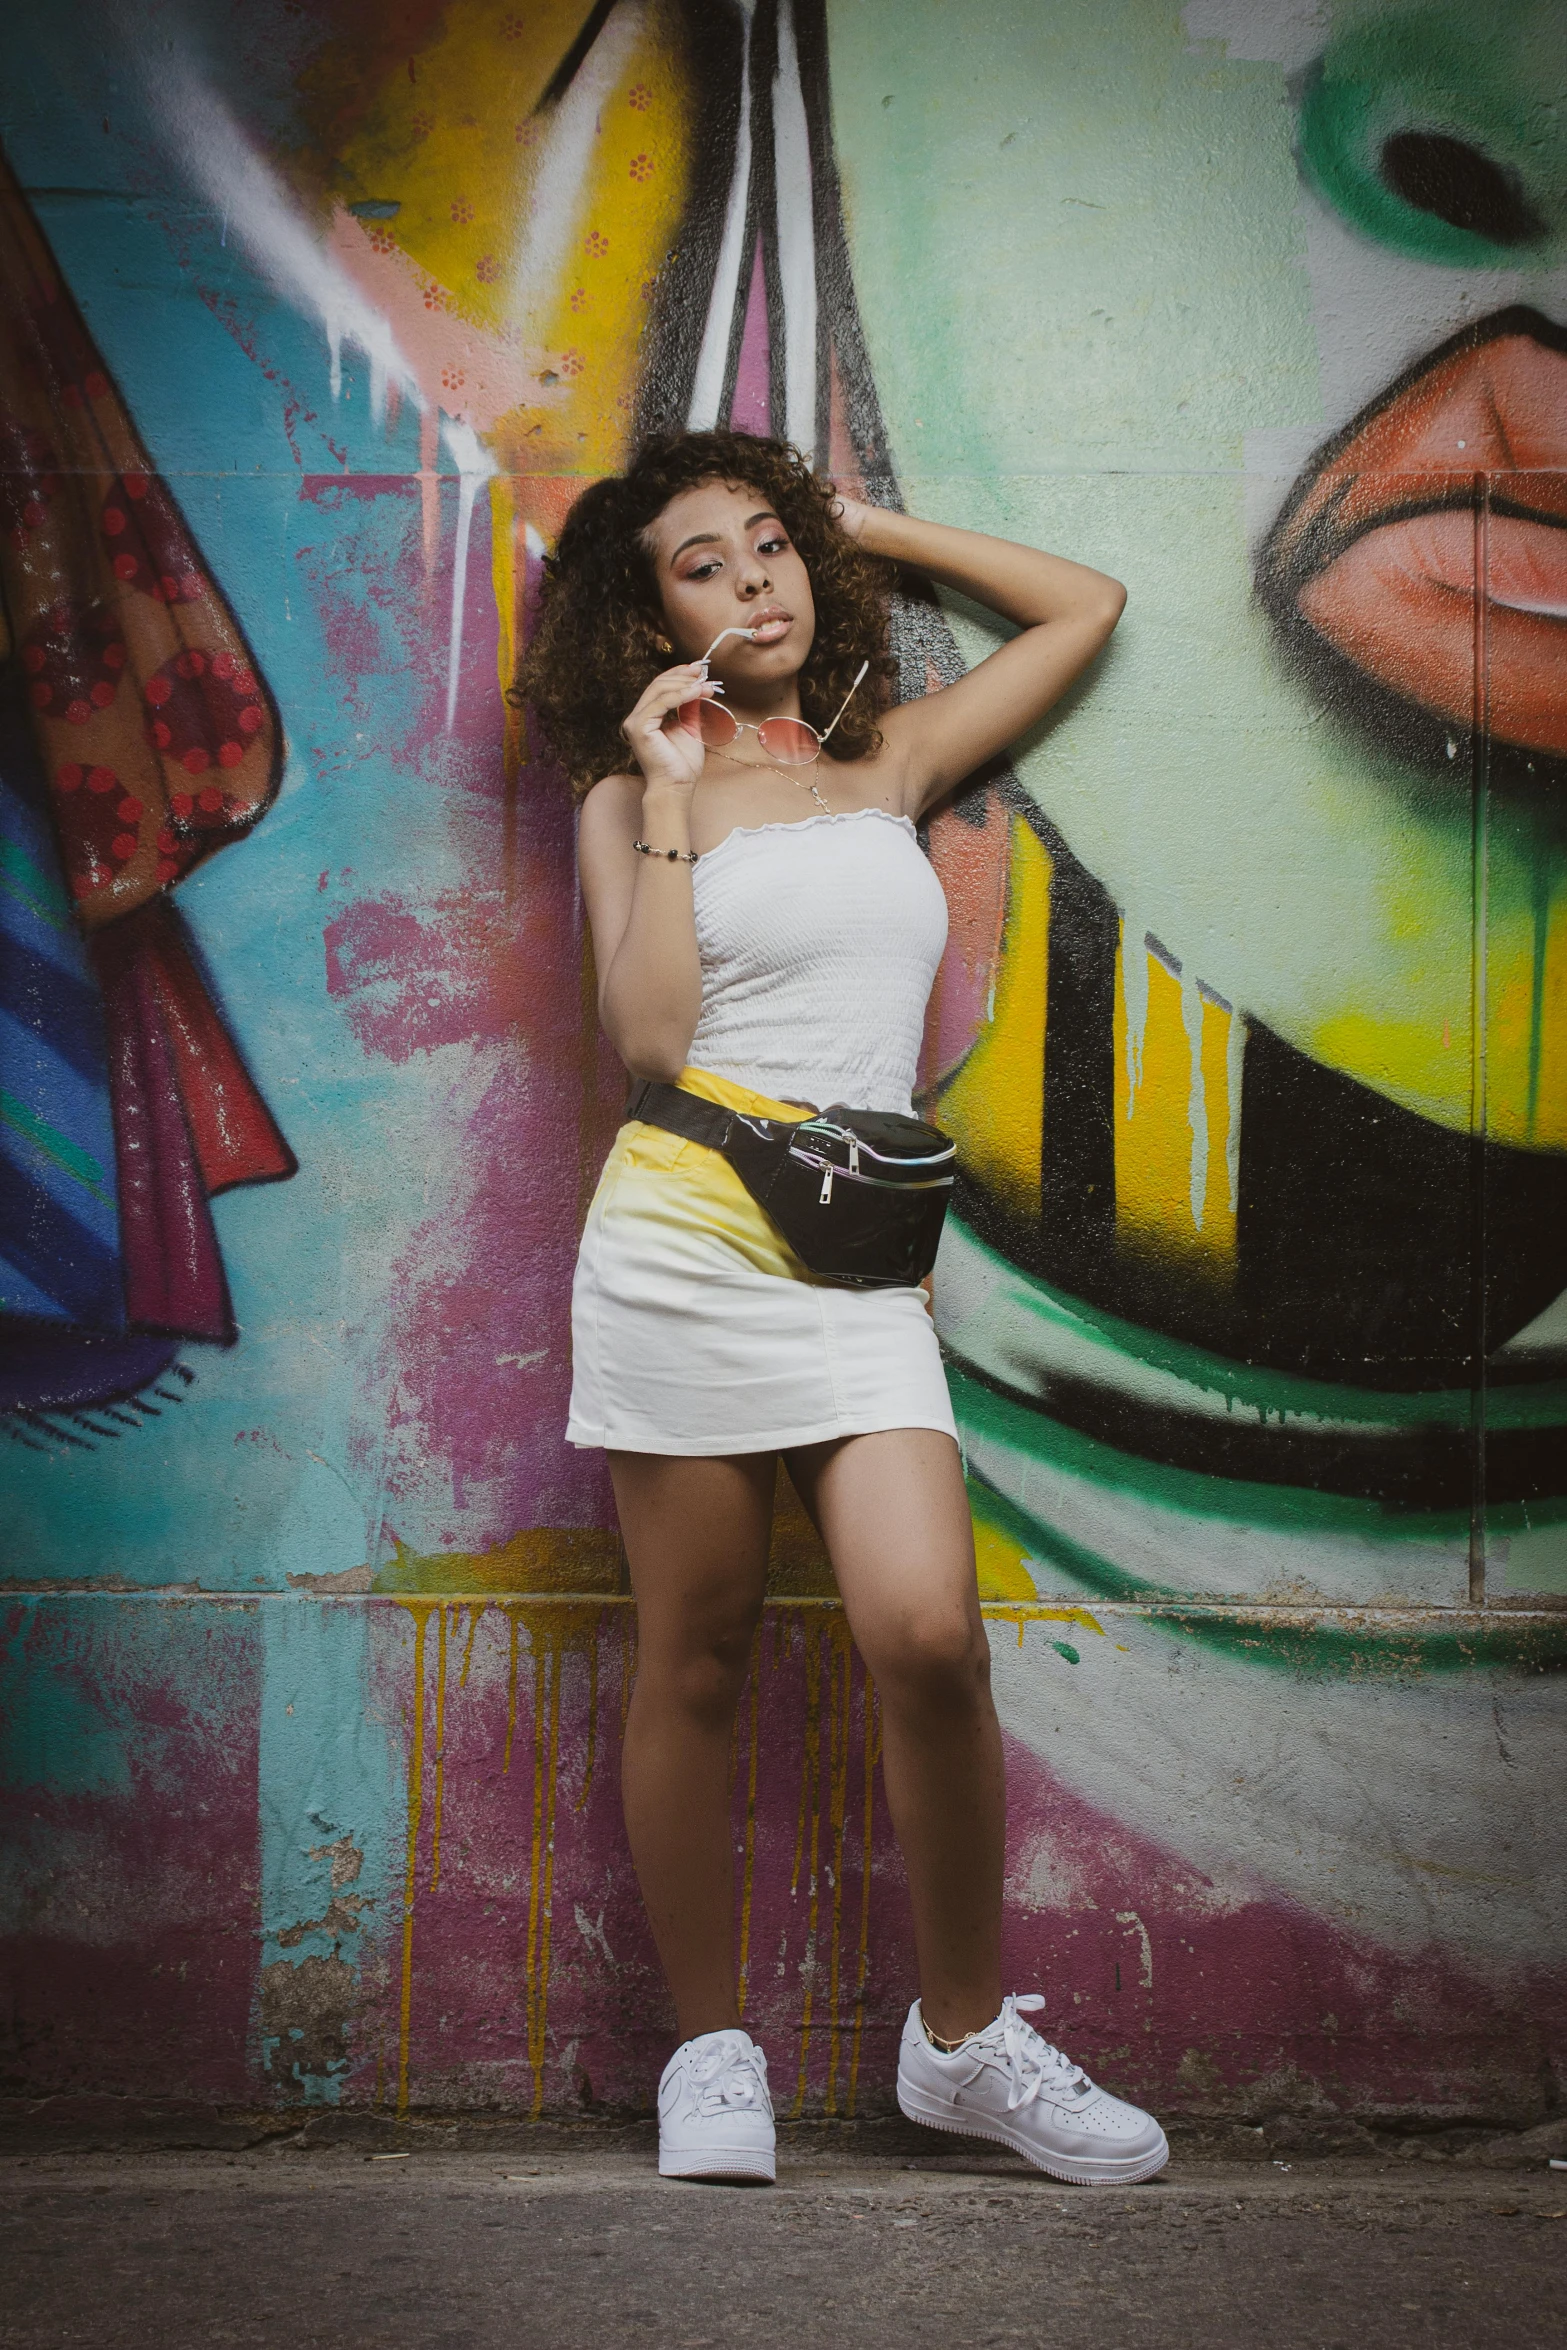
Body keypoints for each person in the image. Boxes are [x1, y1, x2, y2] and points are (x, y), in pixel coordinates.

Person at [518, 428, 1168, 2188]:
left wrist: (854, 514)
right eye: (704, 566)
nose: (756, 585)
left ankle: (962, 2046)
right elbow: (654, 1043)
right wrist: (660, 798)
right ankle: (711, 2052)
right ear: (642, 618)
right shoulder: (625, 797)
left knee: (928, 1641)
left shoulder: (887, 758)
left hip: (859, 1275)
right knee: (700, 1655)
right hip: (680, 1244)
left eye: (770, 549)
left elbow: (1083, 607)